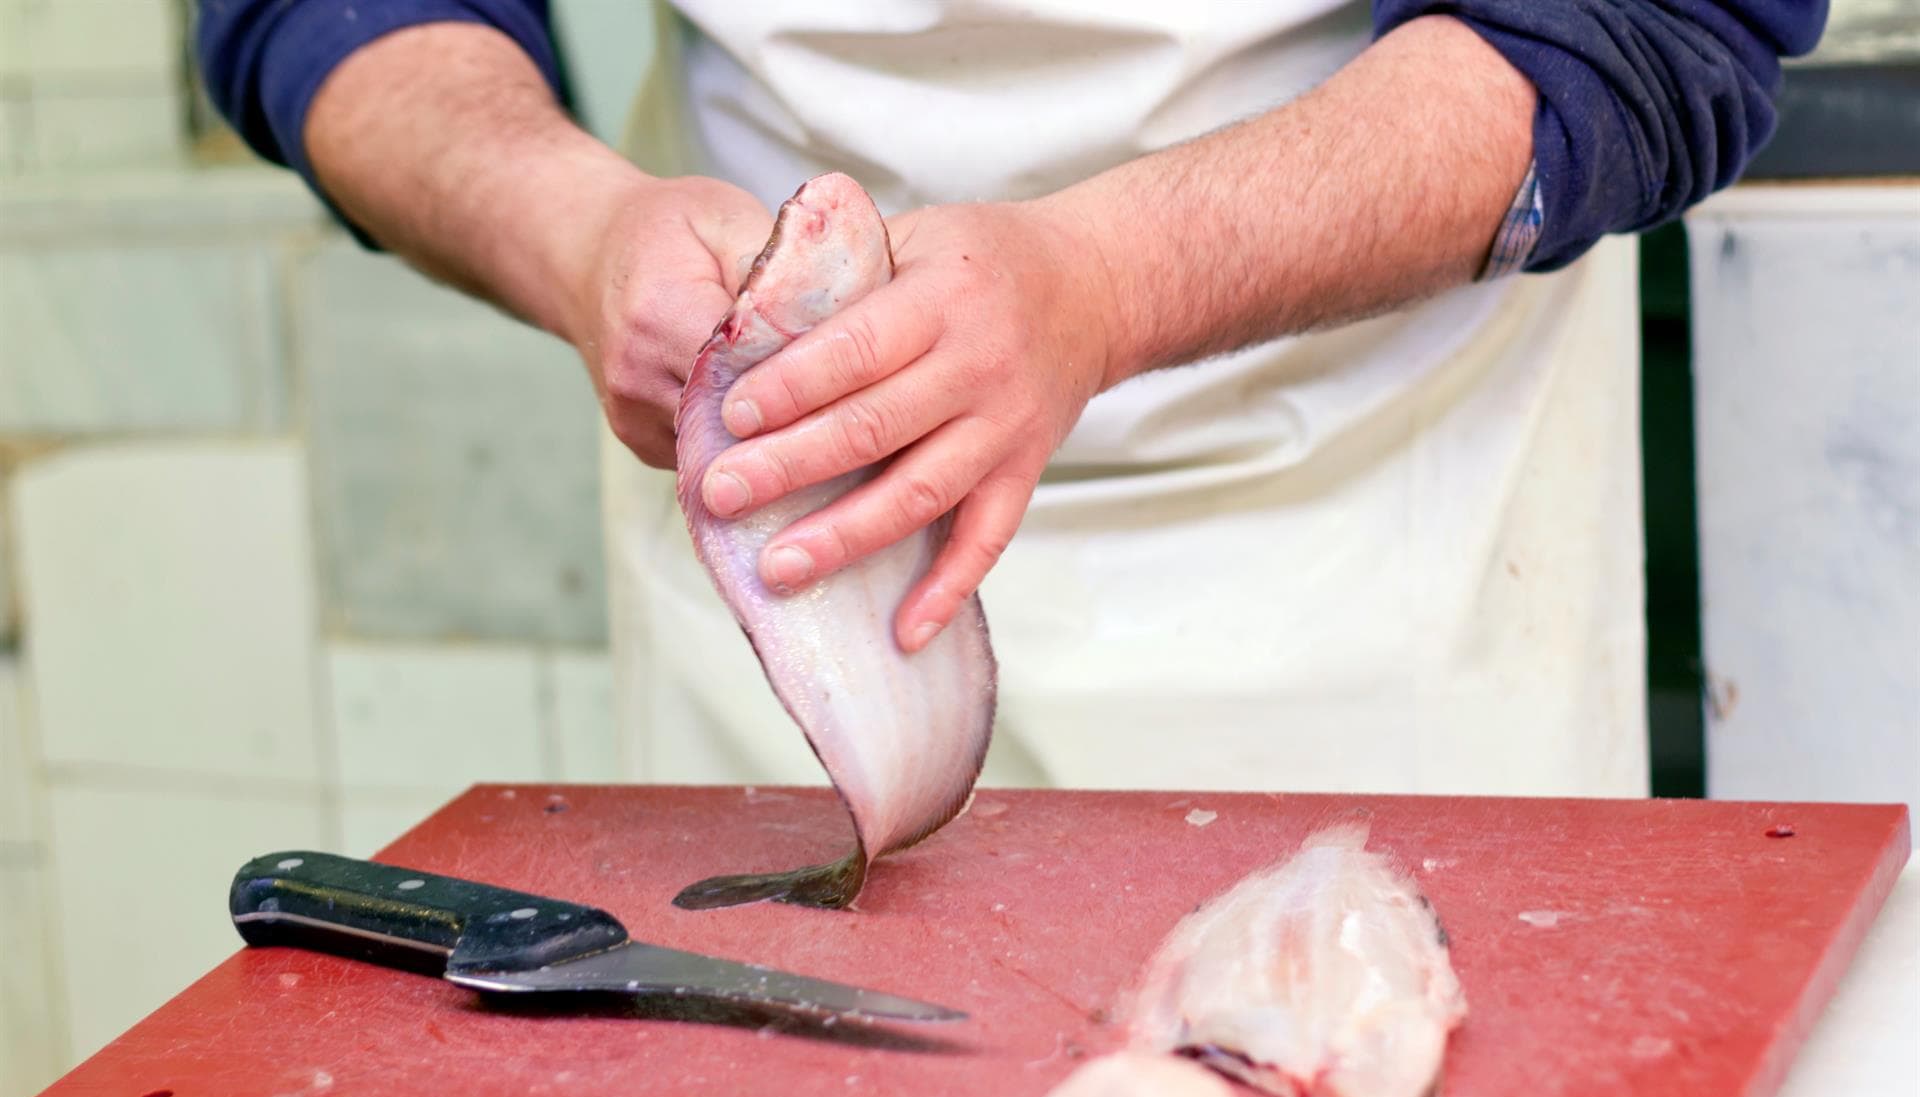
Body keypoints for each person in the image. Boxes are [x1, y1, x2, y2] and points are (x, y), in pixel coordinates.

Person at [197, 2, 1825, 799]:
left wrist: (1109, 282)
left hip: (1367, 551)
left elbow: (1653, 23)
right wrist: (571, 231)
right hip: (784, 569)